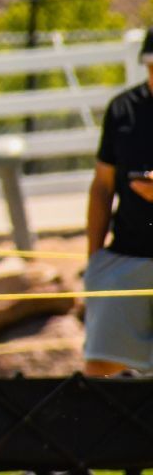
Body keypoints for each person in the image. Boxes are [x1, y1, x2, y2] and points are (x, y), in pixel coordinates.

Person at [83, 28, 153, 377]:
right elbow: (102, 187)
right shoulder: (123, 109)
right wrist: (94, 259)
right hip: (126, 257)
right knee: (100, 370)